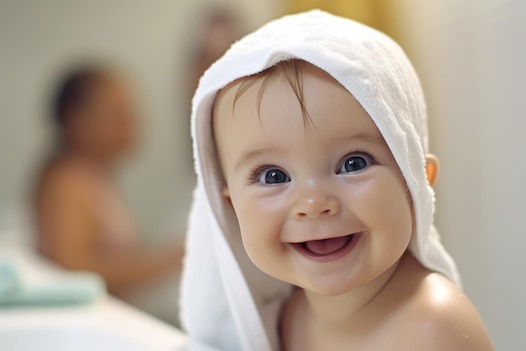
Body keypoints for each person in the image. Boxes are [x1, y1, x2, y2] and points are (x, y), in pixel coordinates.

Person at [181, 10, 495, 351]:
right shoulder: (288, 314)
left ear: (417, 181)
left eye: (353, 163)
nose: (313, 204)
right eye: (274, 176)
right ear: (231, 208)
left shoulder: (431, 326)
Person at [34, 67, 184, 300]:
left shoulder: (96, 177)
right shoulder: (66, 181)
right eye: (115, 114)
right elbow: (70, 266)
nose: (130, 123)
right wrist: (162, 262)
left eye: (130, 113)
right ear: (76, 119)